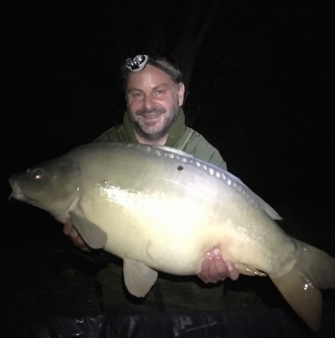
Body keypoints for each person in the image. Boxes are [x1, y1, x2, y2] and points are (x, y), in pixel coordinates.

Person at [63, 52, 239, 312]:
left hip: (194, 304)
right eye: (136, 94)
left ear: (179, 94)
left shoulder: (205, 156)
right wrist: (86, 247)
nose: (147, 105)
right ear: (126, 98)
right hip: (123, 302)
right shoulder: (100, 152)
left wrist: (217, 268)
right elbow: (92, 259)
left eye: (158, 91)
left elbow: (230, 237)